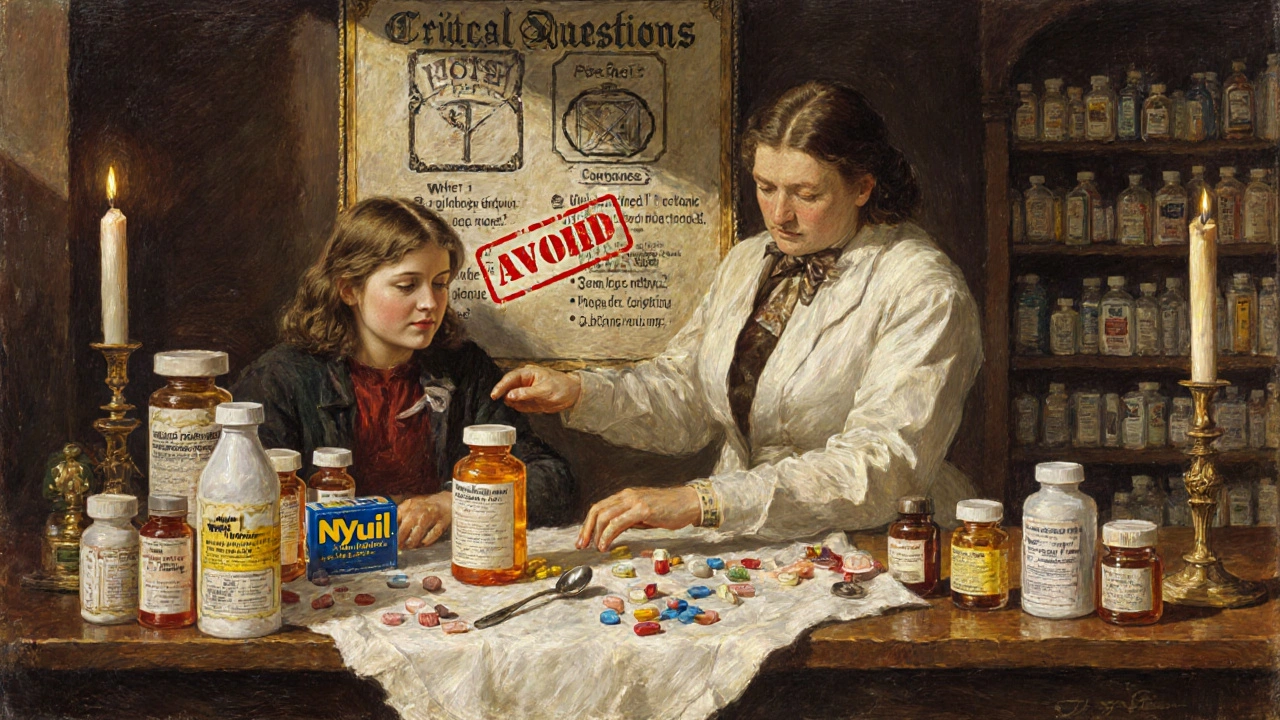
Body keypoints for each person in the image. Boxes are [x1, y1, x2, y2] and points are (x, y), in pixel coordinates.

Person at [492, 80, 982, 551]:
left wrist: (704, 500)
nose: (779, 215)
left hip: (888, 541)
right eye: (766, 187)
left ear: (863, 188)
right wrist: (580, 392)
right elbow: (687, 398)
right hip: (750, 538)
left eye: (806, 195)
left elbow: (883, 468)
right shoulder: (750, 261)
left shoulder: (922, 287)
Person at [233, 197, 576, 548]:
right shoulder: (279, 379)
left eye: (440, 283)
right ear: (349, 289)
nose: (430, 302)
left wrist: (456, 502)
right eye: (407, 285)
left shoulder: (464, 367)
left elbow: (550, 478)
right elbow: (244, 506)